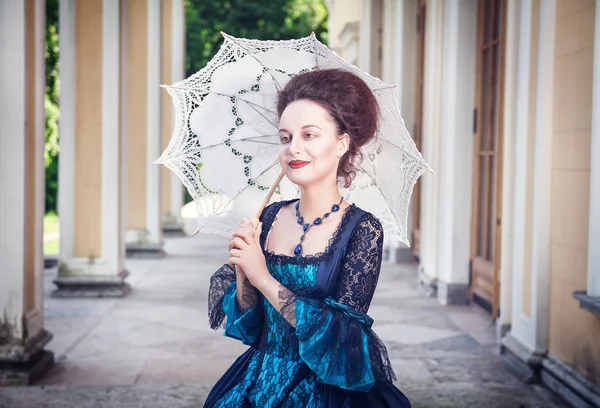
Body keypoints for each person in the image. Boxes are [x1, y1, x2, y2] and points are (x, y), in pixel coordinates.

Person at [204, 68, 411, 408]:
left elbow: (342, 340)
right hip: (258, 379)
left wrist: (262, 276)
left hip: (326, 390)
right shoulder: (268, 217)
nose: (293, 148)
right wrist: (243, 269)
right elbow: (250, 328)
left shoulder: (362, 231)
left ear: (342, 143)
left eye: (309, 135)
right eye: (285, 138)